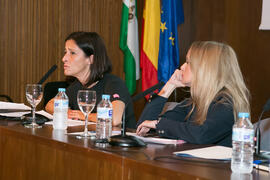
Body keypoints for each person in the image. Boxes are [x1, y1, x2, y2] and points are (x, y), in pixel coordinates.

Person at [136, 41, 250, 147]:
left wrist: (158, 124)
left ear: (205, 68)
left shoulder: (227, 102)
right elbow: (144, 126)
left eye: (188, 62)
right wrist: (169, 86)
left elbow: (201, 134)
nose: (182, 67)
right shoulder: (193, 102)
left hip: (221, 168)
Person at [45, 31, 136, 129]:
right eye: (65, 52)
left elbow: (115, 119)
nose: (64, 58)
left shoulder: (114, 83)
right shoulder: (77, 86)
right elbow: (50, 105)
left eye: (72, 53)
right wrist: (69, 113)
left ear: (90, 59)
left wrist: (82, 115)